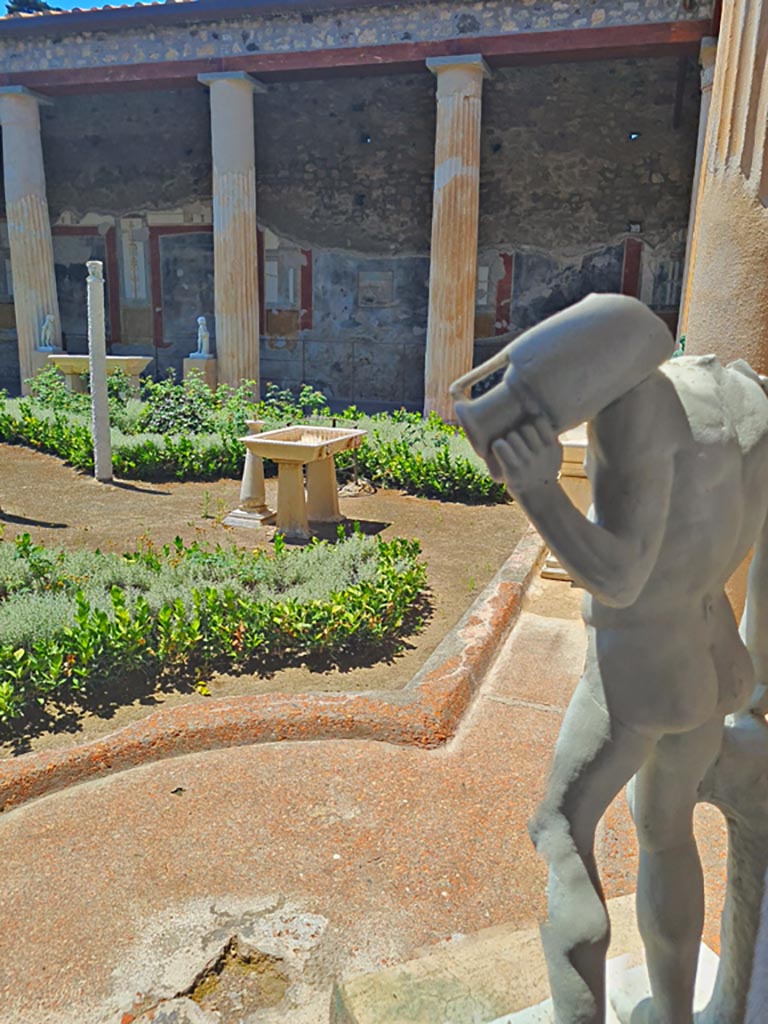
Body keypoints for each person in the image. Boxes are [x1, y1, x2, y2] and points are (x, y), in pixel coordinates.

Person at [453, 294, 768, 1024]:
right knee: (665, 828)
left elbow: (621, 578)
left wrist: (538, 491)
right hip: (711, 661)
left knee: (560, 828)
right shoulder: (744, 396)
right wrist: (756, 679)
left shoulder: (635, 409)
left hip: (639, 671)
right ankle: (676, 1015)